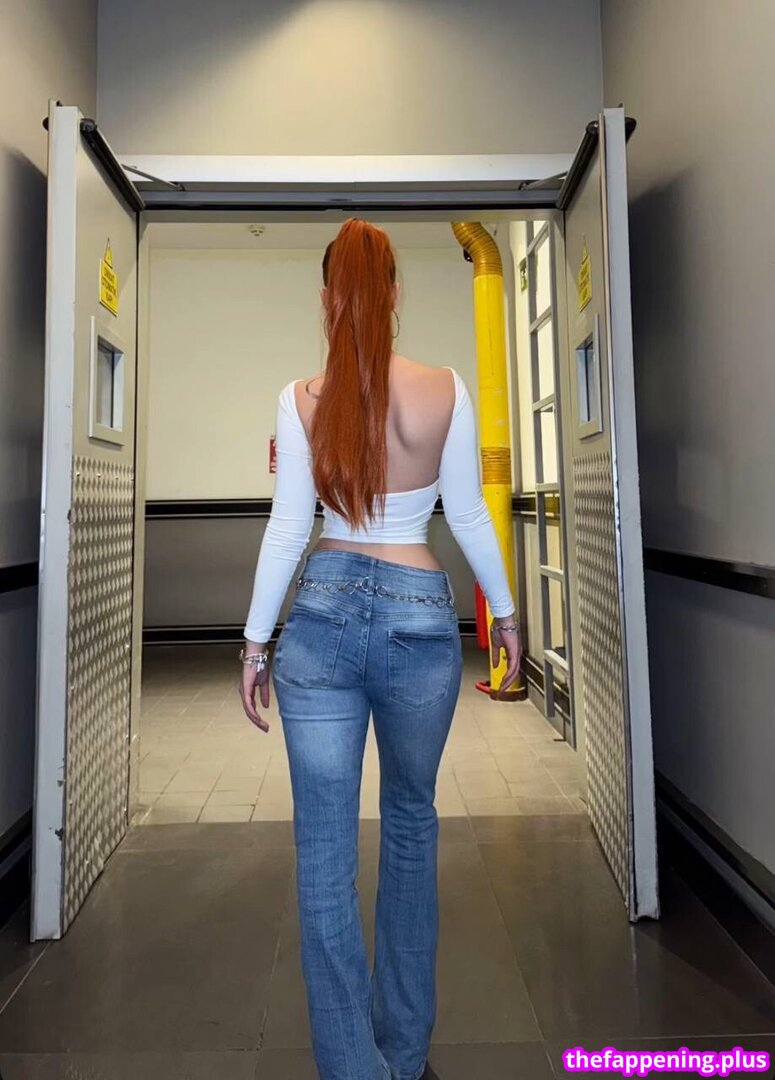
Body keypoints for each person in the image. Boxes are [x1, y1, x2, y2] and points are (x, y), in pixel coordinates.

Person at [239, 218, 521, 1080]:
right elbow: (465, 514)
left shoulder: (301, 398)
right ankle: (401, 1053)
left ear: (328, 297)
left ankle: (352, 1070)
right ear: (394, 291)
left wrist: (254, 643)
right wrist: (507, 615)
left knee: (323, 857)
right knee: (410, 828)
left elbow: (288, 528)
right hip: (418, 618)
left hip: (320, 618)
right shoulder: (445, 388)